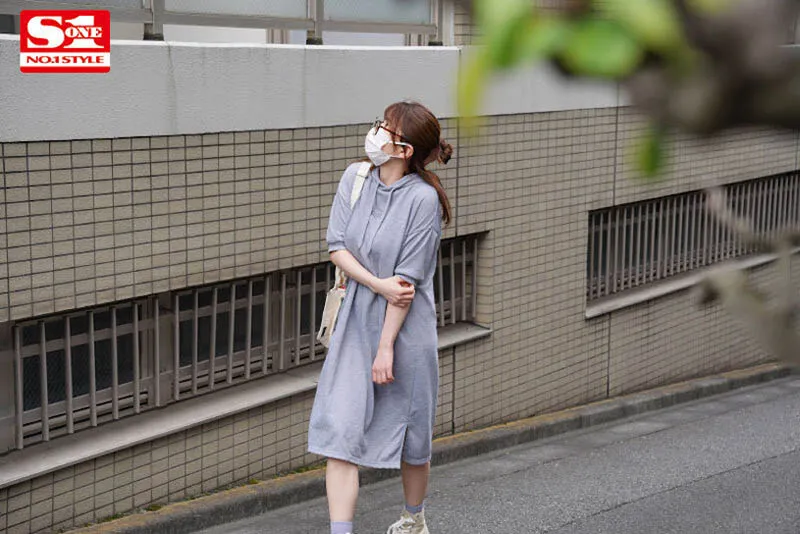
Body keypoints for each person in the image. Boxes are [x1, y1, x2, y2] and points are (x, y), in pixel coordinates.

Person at [307, 100, 453, 534]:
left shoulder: (423, 200)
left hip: (405, 332)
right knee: (340, 431)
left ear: (405, 150)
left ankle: (413, 518)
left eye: (386, 127)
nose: (376, 132)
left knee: (412, 435)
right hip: (355, 322)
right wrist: (376, 283)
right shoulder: (355, 178)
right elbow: (337, 246)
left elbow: (405, 286)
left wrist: (386, 347)